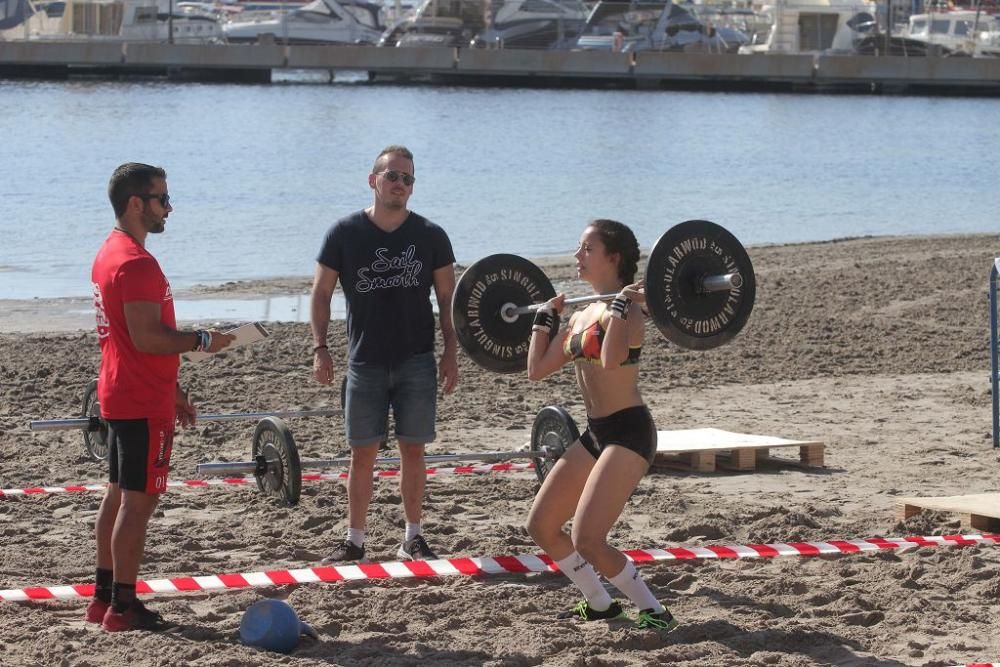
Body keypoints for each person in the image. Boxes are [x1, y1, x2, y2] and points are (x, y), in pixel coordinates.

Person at [86, 163, 234, 631]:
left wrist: (175, 387)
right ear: (136, 204)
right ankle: (123, 608)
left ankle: (103, 597)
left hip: (124, 389)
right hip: (138, 399)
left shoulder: (109, 252)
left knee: (117, 494)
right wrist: (204, 340)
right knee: (139, 501)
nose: (169, 207)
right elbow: (149, 337)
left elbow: (132, 340)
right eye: (162, 198)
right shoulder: (134, 261)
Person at [524, 219, 678, 632]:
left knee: (588, 539)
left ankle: (655, 612)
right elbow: (537, 370)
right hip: (594, 434)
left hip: (629, 433)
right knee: (541, 525)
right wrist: (543, 321)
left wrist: (624, 307)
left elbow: (610, 360)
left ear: (613, 258)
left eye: (586, 249)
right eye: (579, 248)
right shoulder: (580, 315)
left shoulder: (630, 312)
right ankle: (600, 602)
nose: (577, 256)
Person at [311, 145, 459, 563]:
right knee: (363, 453)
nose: (399, 184)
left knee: (414, 449)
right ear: (373, 179)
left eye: (407, 178)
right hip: (364, 361)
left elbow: (448, 298)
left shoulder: (431, 235)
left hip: (417, 359)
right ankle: (355, 539)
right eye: (392, 175)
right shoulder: (344, 233)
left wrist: (451, 352)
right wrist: (320, 347)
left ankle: (413, 536)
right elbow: (321, 293)